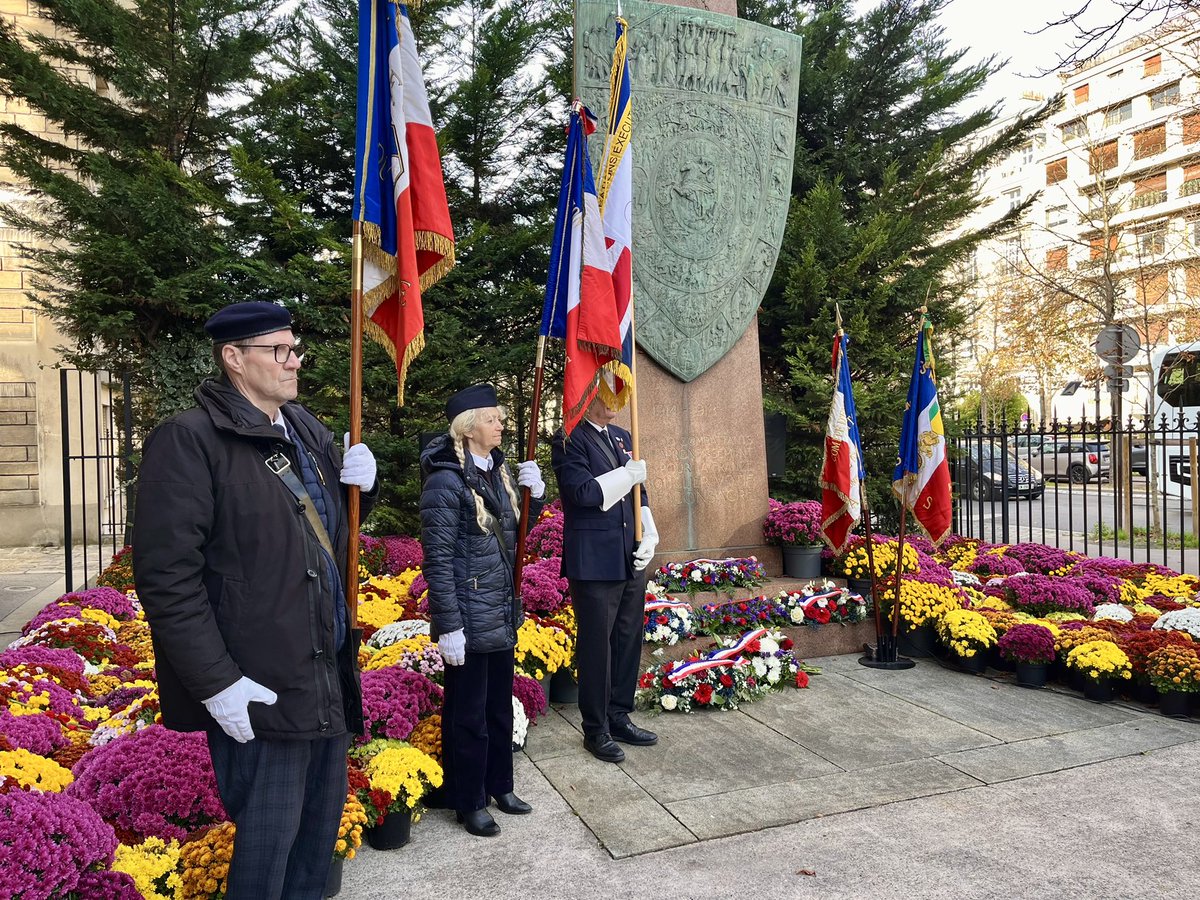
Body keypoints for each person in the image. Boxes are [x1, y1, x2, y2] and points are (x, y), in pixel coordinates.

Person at [132, 301, 378, 899]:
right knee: (266, 857)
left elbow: (326, 542)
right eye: (280, 351)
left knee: (317, 848)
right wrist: (219, 685)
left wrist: (359, 496)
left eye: (295, 349)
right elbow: (167, 578)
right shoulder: (191, 440)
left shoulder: (308, 430)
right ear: (234, 359)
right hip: (259, 687)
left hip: (323, 676)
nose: (294, 362)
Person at [420, 383, 545, 837]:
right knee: (467, 714)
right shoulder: (445, 481)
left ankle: (501, 785)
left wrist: (537, 497)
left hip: (499, 611)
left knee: (496, 706)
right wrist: (449, 625)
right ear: (469, 427)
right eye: (492, 418)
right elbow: (437, 558)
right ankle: (468, 798)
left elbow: (513, 536)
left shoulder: (500, 473)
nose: (501, 424)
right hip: (468, 618)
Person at [551, 391, 659, 763]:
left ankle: (618, 714)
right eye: (609, 391)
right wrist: (625, 475)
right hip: (595, 560)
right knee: (598, 645)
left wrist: (650, 528)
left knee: (627, 638)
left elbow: (639, 492)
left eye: (622, 391)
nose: (618, 400)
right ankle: (595, 728)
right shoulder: (569, 438)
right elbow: (582, 493)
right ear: (588, 394)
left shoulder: (623, 437)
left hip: (629, 554)